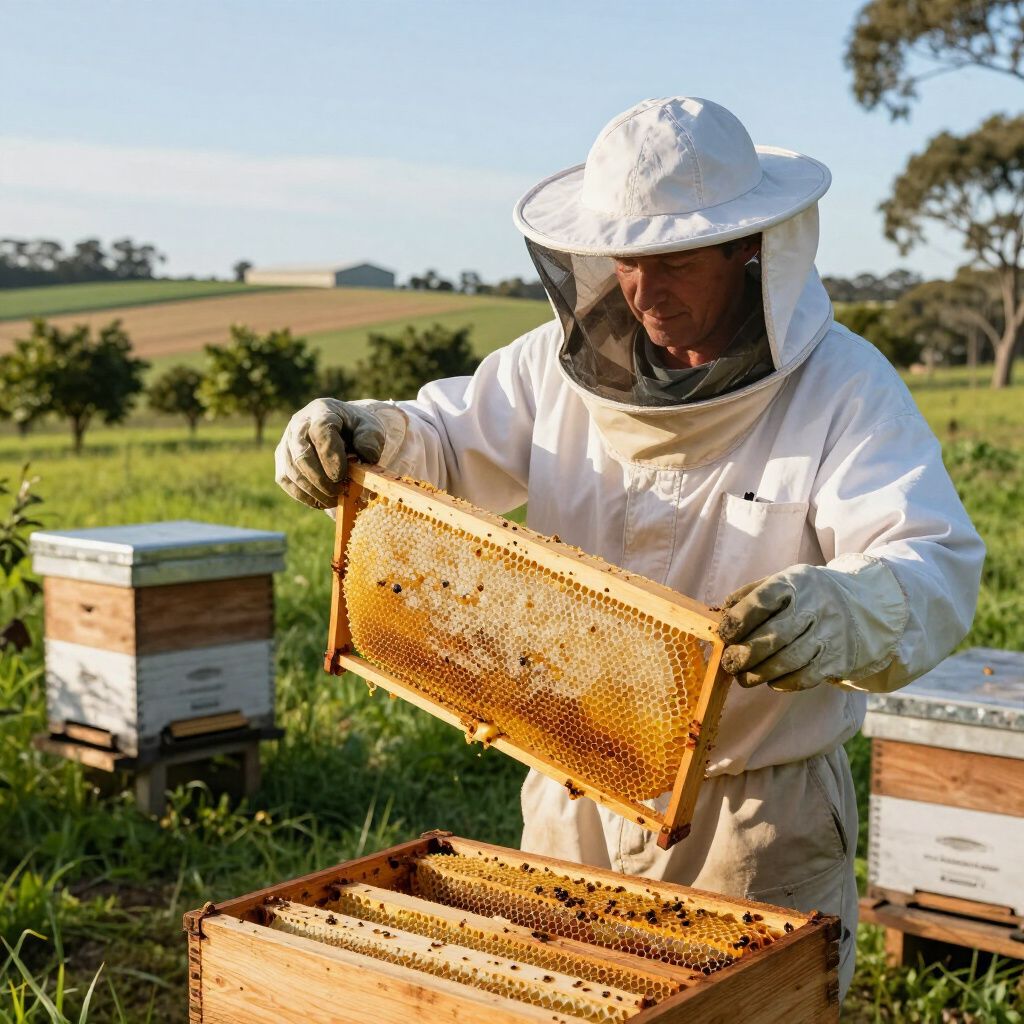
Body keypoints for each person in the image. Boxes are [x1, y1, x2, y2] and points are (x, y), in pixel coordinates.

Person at [275, 97, 984, 997]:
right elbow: (449, 444)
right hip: (570, 789)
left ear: (748, 251)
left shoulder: (843, 388)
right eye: (627, 261)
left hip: (752, 814)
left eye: (676, 261)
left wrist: (842, 610)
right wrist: (367, 432)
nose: (644, 293)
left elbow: (931, 559)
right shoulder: (551, 366)